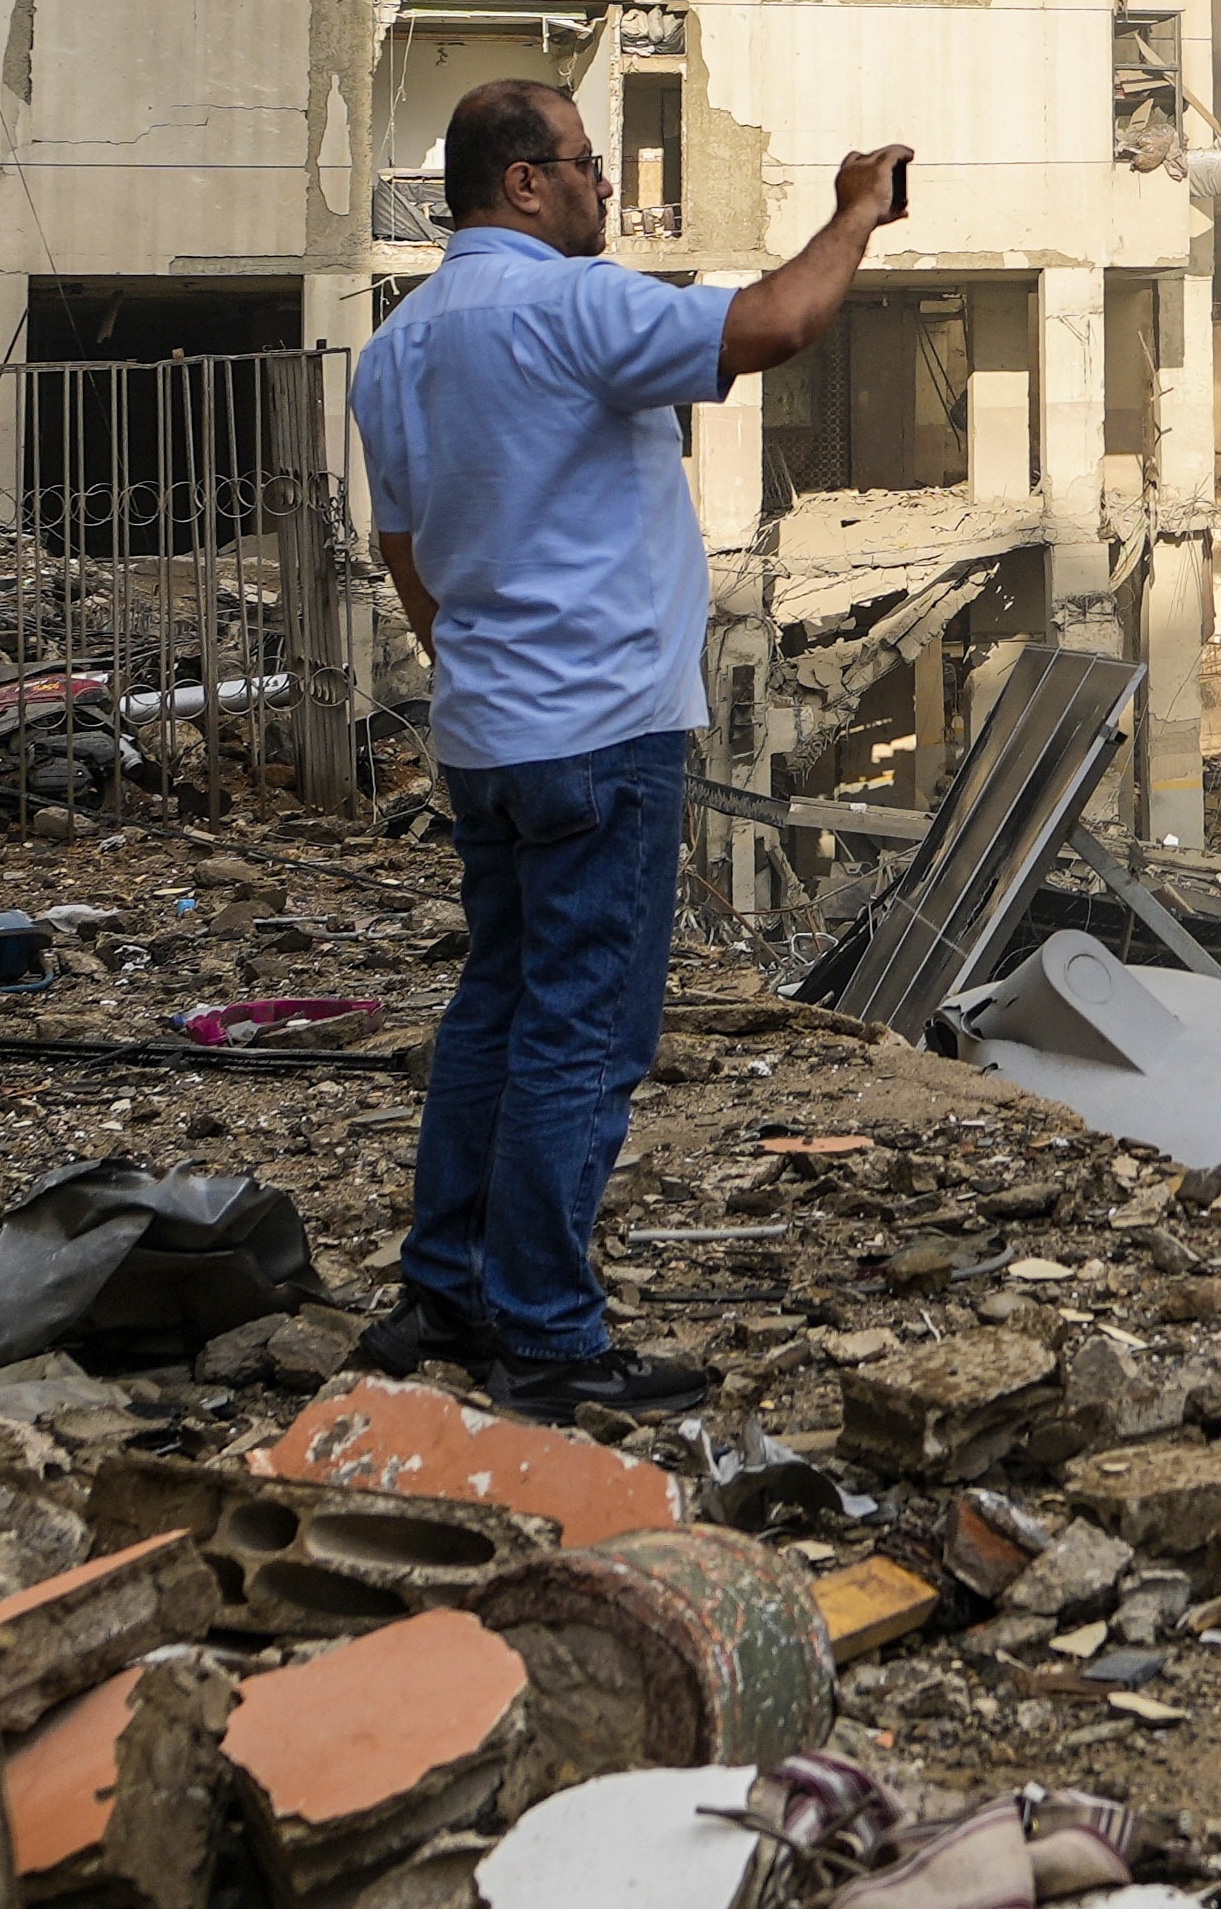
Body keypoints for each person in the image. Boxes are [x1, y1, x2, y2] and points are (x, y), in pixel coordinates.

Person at [348, 77, 905, 1415]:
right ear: (525, 183)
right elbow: (775, 321)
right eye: (591, 165)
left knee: (497, 1001)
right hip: (602, 732)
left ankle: (447, 1289)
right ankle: (545, 1334)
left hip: (489, 734)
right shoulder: (572, 304)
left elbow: (404, 551)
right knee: (583, 1034)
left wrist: (479, 668)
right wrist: (855, 216)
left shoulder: (401, 345)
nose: (610, 186)